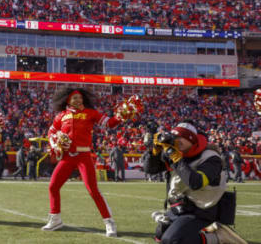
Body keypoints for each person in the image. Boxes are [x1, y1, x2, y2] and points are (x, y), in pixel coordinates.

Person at [41, 88, 137, 237]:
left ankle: (109, 222)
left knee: (93, 190)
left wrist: (121, 116)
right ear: (68, 100)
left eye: (80, 98)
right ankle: (55, 219)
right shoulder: (61, 116)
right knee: (53, 186)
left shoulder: (91, 113)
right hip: (67, 157)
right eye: (75, 98)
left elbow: (109, 123)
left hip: (83, 156)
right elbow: (51, 131)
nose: (78, 100)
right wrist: (54, 143)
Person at [145, 122, 247, 244]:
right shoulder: (178, 152)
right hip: (180, 207)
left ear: (192, 139)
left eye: (181, 137)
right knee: (159, 236)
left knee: (172, 240)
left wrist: (176, 157)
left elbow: (195, 182)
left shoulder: (211, 157)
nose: (177, 141)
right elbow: (151, 169)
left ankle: (216, 237)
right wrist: (154, 152)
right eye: (175, 137)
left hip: (201, 209)